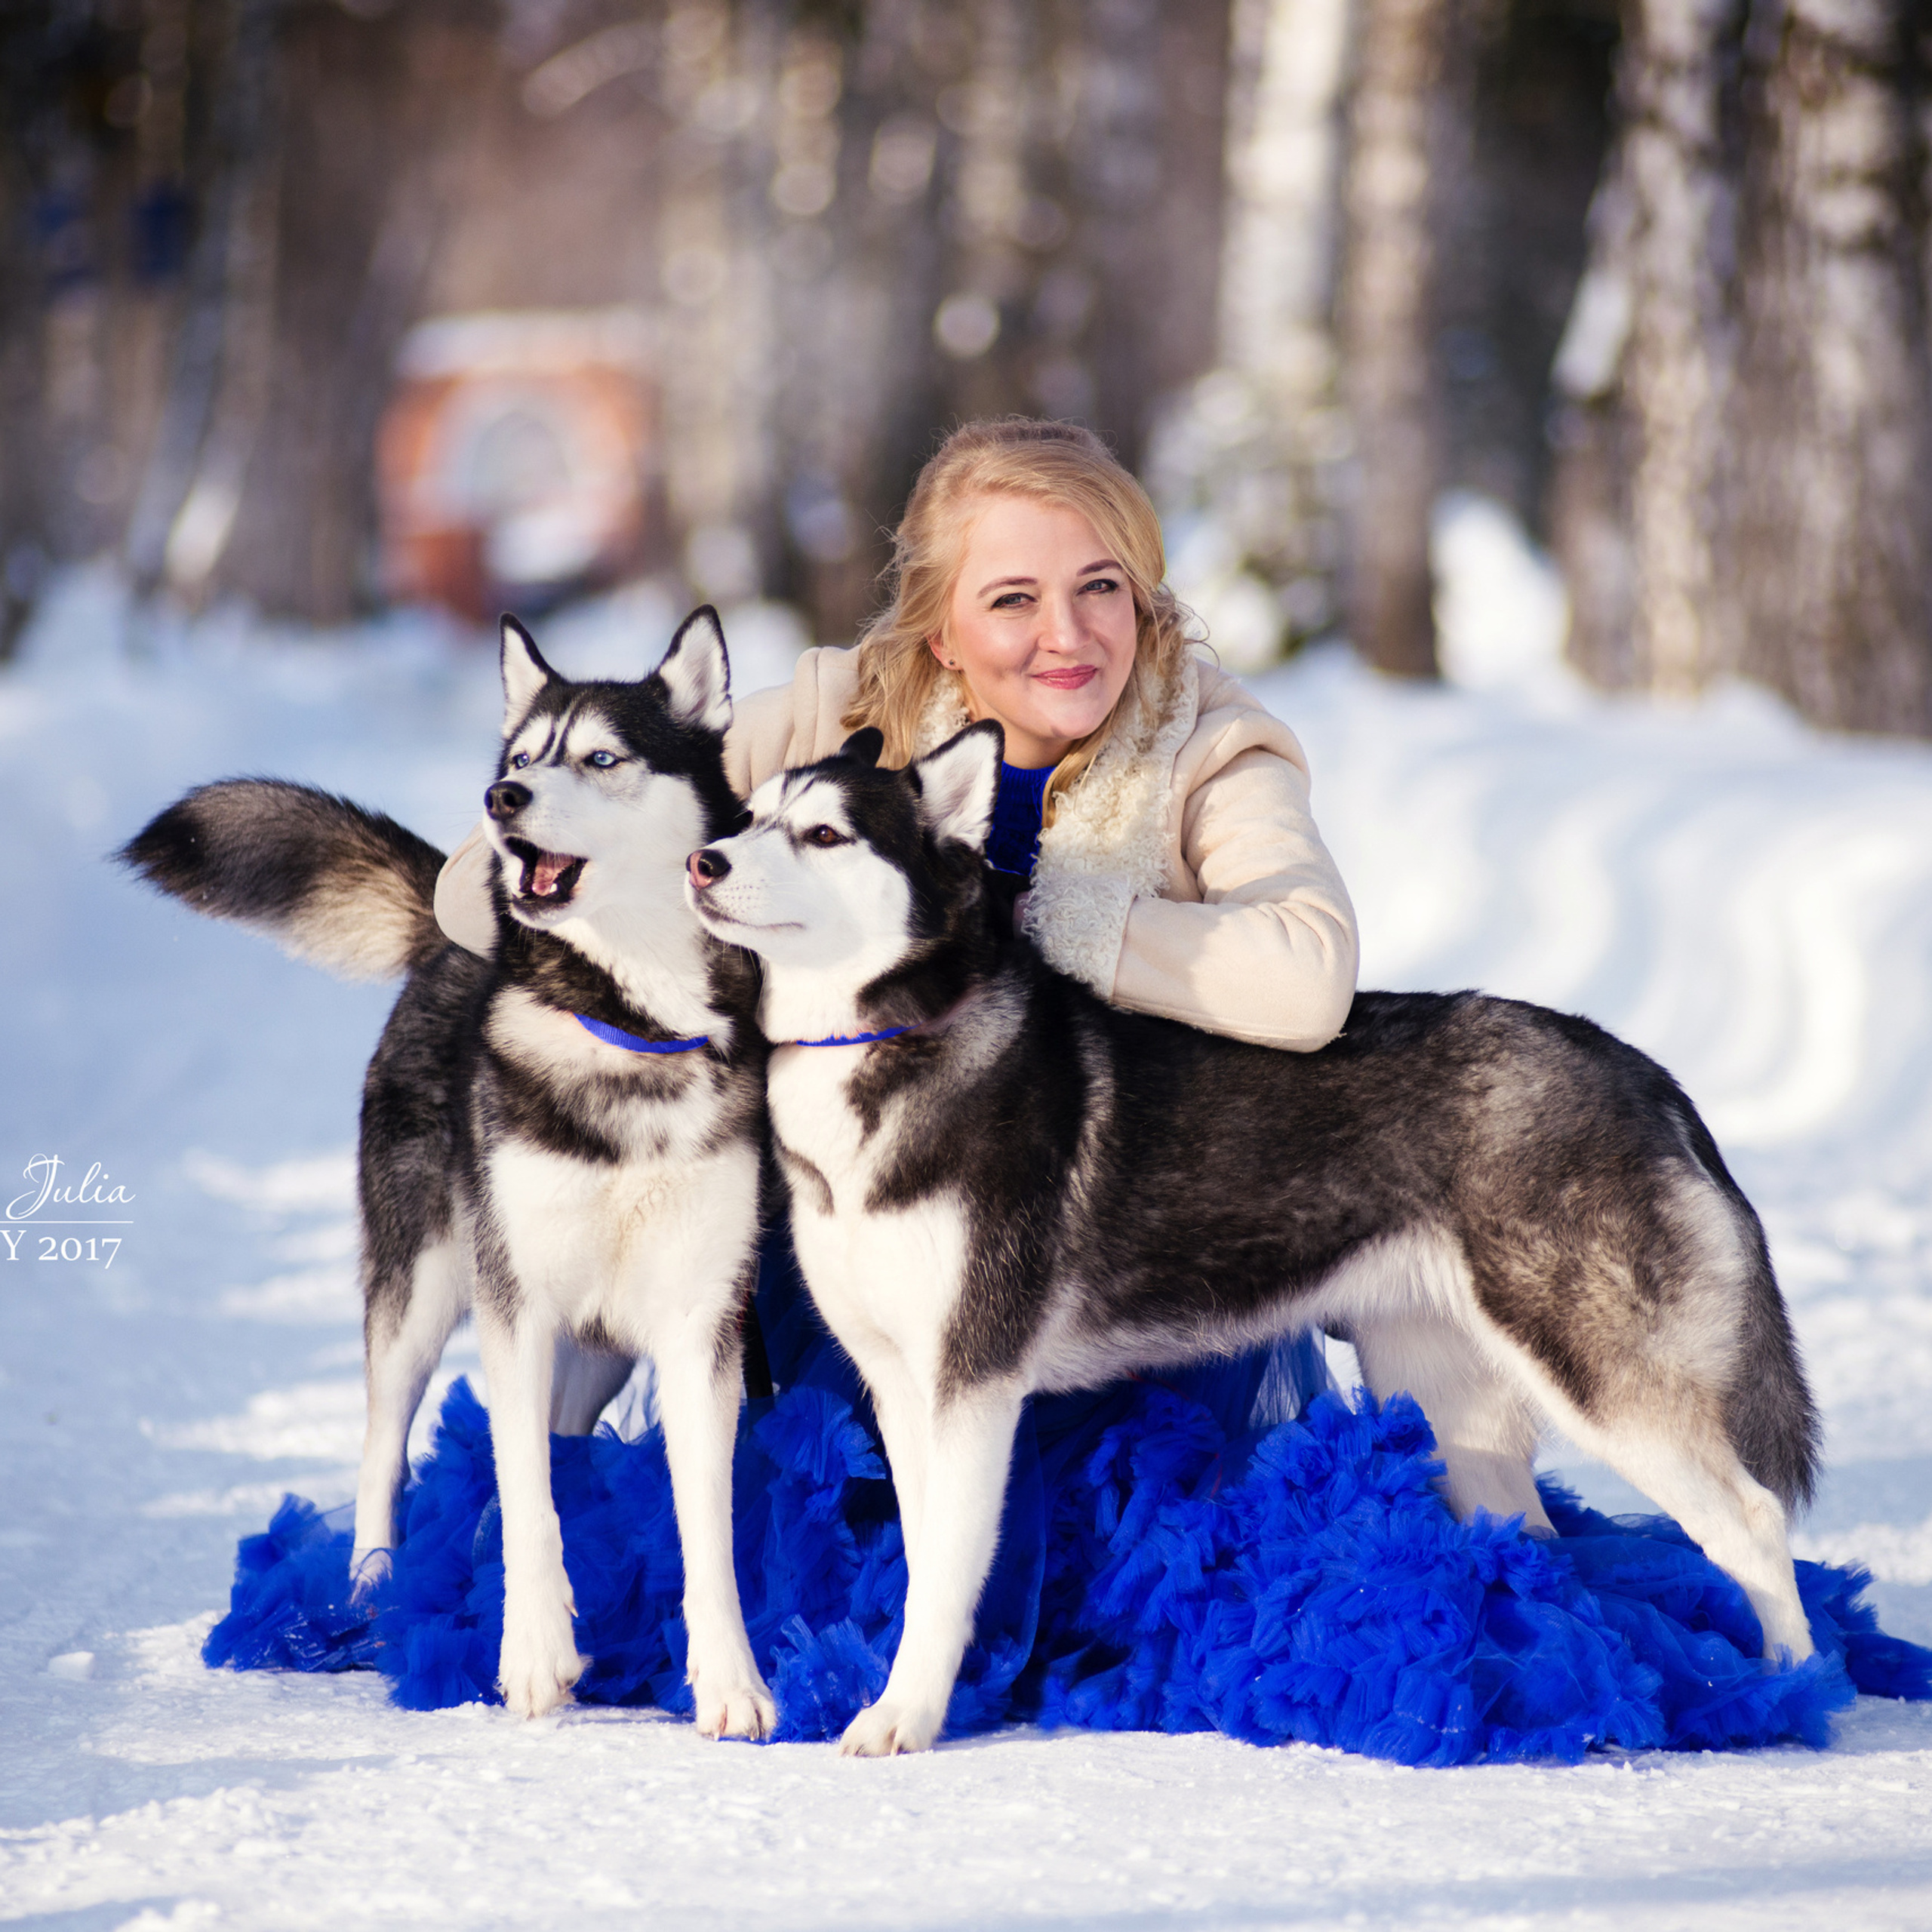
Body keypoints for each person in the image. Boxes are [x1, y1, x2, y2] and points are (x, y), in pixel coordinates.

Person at [214, 420, 1924, 1759]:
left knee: (1375, 1533)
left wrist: (1071, 909)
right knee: (695, 1317)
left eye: (1100, 585)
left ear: (1149, 596)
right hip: (872, 1217)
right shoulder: (827, 722)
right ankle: (549, 1553)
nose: (1063, 630)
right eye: (1012, 597)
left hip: (1175, 1242)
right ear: (937, 623)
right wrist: (530, 862)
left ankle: (1741, 1592)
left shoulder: (1207, 739)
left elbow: (1307, 975)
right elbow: (524, 859)